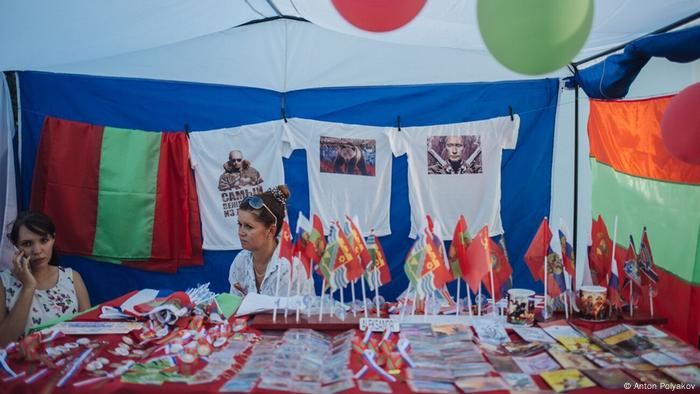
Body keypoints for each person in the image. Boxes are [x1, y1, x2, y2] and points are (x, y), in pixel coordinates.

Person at [0, 211, 91, 346]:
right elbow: (3, 343)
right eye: (27, 243)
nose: (37, 250)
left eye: (44, 240)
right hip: (24, 365)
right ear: (16, 246)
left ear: (53, 239)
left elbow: (89, 330)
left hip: (68, 361)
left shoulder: (72, 278)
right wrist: (29, 287)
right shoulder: (4, 284)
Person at [228, 185, 311, 297]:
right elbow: (234, 307)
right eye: (240, 224)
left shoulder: (291, 267)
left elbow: (296, 312)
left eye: (248, 227)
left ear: (271, 230)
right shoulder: (240, 261)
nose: (241, 232)